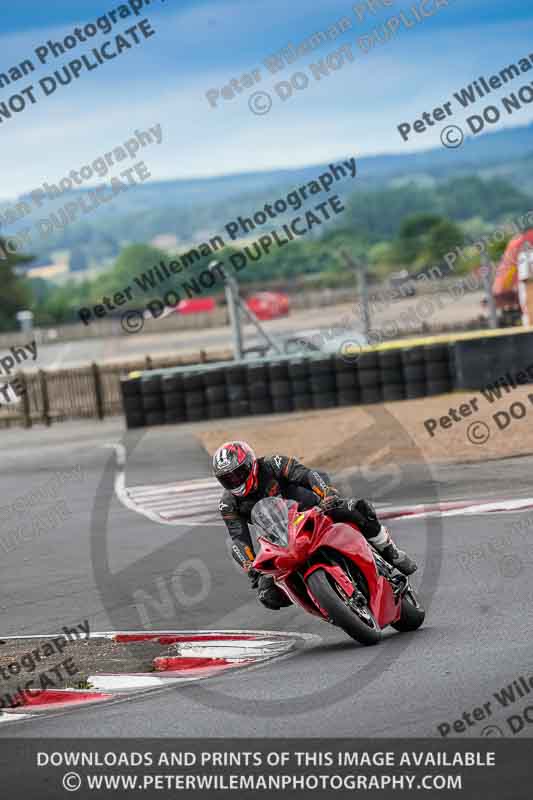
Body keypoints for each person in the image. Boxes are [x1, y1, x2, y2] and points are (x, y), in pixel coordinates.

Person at [213, 440, 417, 610]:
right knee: (267, 594)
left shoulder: (273, 464)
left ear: (251, 464)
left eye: (238, 474)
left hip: (314, 510)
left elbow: (307, 475)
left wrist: (326, 493)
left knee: (357, 508)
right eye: (227, 479)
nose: (234, 481)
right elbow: (238, 539)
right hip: (281, 538)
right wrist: (251, 566)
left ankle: (389, 550)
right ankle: (322, 602)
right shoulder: (228, 503)